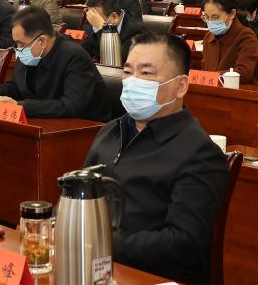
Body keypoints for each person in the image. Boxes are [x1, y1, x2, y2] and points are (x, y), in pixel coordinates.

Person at [84, 31, 228, 283]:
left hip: (150, 275)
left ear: (180, 86)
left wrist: (103, 244)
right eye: (128, 72)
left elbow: (184, 242)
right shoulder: (111, 131)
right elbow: (79, 193)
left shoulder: (200, 153)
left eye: (146, 73)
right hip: (95, 265)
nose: (132, 82)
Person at [0, 7, 109, 120]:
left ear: (42, 41)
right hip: (46, 122)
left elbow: (70, 105)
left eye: (21, 43)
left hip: (86, 128)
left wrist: (20, 106)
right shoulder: (29, 50)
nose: (18, 49)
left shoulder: (74, 56)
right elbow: (14, 86)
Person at [201, 0, 258, 85]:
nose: (210, 22)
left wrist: (212, 77)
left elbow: (244, 73)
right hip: (215, 90)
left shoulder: (246, 36)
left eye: (216, 17)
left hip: (243, 91)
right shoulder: (208, 38)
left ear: (232, 14)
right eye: (207, 17)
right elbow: (204, 70)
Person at [81, 0, 147, 64]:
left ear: (114, 17)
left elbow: (116, 62)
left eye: (97, 19)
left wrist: (102, 29)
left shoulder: (136, 31)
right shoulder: (95, 25)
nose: (94, 23)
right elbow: (82, 52)